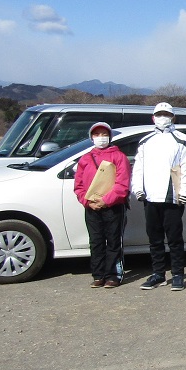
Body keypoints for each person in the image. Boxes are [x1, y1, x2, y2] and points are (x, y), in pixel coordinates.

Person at [131, 102, 186, 291]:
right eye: (159, 114)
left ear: (173, 117)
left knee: (175, 238)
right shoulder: (146, 141)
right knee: (154, 238)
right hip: (150, 197)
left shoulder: (181, 139)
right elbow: (138, 167)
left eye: (166, 114)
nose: (162, 117)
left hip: (172, 198)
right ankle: (158, 274)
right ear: (153, 118)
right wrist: (138, 189)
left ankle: (177, 274)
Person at [73, 122, 131, 288]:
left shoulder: (119, 157)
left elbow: (122, 184)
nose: (100, 138)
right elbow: (78, 186)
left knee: (113, 241)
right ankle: (98, 275)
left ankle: (113, 275)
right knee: (96, 241)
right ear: (91, 138)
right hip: (91, 208)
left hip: (113, 207)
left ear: (109, 137)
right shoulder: (85, 159)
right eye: (97, 134)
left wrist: (106, 200)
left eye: (103, 134)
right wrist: (87, 201)